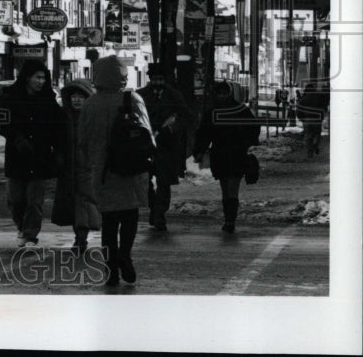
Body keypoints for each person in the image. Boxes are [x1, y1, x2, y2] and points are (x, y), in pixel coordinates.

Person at [80, 55, 154, 287]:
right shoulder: (132, 99)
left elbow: (82, 139)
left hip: (103, 171)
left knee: (109, 221)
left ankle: (110, 267)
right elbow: (147, 136)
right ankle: (126, 254)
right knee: (130, 216)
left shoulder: (90, 104)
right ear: (123, 75)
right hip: (131, 169)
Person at [0, 58, 65, 248]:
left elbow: (58, 127)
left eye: (43, 78)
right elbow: (3, 124)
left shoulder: (48, 100)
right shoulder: (11, 98)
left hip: (40, 157)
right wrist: (17, 138)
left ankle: (30, 234)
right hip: (17, 157)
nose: (41, 81)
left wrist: (57, 150)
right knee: (16, 199)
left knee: (35, 201)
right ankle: (21, 227)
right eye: (37, 77)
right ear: (27, 78)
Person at [192, 80, 261, 234]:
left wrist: (199, 150)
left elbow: (204, 133)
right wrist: (248, 142)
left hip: (226, 154)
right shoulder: (240, 110)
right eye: (220, 93)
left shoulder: (213, 112)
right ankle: (229, 219)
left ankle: (229, 220)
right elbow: (254, 127)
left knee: (229, 188)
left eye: (224, 93)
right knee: (228, 188)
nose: (222, 96)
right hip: (231, 154)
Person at [137, 64, 194, 231]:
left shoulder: (174, 95)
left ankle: (160, 213)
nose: (158, 82)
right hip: (145, 145)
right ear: (150, 79)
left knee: (164, 182)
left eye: (161, 79)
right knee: (144, 181)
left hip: (166, 145)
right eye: (155, 79)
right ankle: (154, 208)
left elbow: (187, 117)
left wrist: (170, 128)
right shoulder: (140, 95)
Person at [51, 77, 101, 255]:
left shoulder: (94, 118)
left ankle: (81, 238)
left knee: (83, 201)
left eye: (81, 96)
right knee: (73, 202)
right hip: (68, 168)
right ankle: (80, 236)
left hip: (88, 167)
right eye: (74, 96)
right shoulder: (64, 118)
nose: (77, 99)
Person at [296, 80, 329, 157]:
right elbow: (324, 108)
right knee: (317, 134)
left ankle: (310, 150)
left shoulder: (304, 98)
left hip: (307, 120)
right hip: (317, 120)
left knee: (308, 136)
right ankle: (315, 145)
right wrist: (321, 117)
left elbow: (299, 109)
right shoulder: (319, 97)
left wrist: (301, 118)